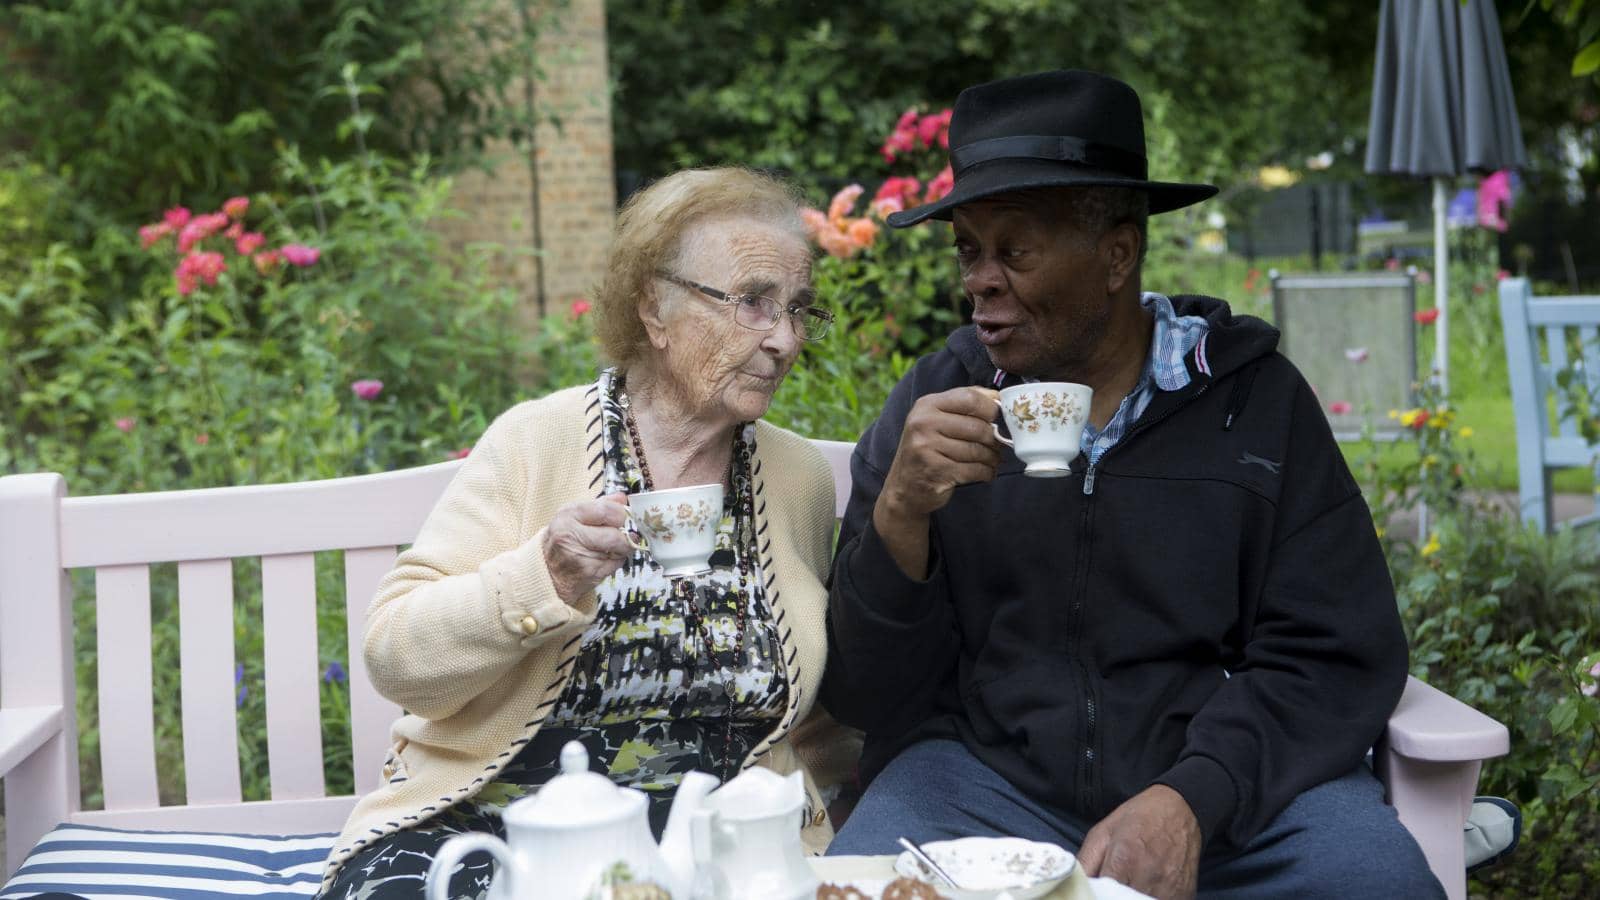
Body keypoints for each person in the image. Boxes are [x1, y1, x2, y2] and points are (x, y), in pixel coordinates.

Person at [821, 70, 1441, 900]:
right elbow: (866, 691)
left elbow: (1334, 652)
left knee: (1380, 884)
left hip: (1238, 801)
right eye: (969, 249)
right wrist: (900, 514)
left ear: (1117, 254)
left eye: (1015, 249)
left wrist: (1193, 796)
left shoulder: (1253, 403)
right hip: (985, 783)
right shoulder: (937, 408)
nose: (980, 279)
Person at [318, 167, 854, 898]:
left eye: (798, 310)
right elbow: (395, 657)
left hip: (709, 846)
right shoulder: (538, 442)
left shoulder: (797, 479)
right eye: (754, 304)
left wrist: (811, 823)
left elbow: (817, 716)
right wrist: (547, 576)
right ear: (654, 310)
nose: (785, 341)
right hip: (494, 828)